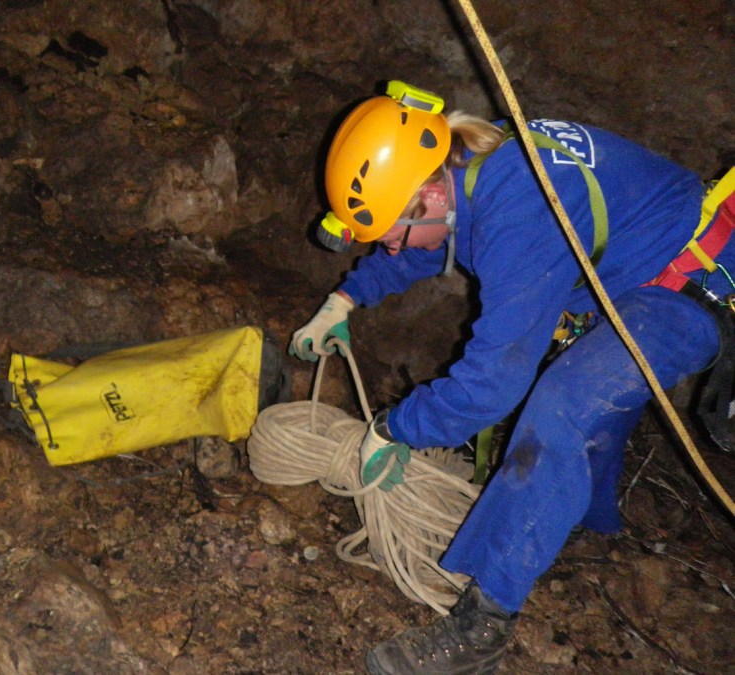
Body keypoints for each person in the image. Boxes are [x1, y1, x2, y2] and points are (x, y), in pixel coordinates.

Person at [288, 81, 735, 674]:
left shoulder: (520, 206)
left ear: (427, 193)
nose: (390, 248)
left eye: (388, 231)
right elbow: (431, 242)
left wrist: (396, 428)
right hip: (641, 273)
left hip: (694, 284)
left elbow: (491, 386)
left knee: (563, 403)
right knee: (597, 395)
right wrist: (346, 296)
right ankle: (587, 524)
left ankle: (484, 626)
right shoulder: (470, 165)